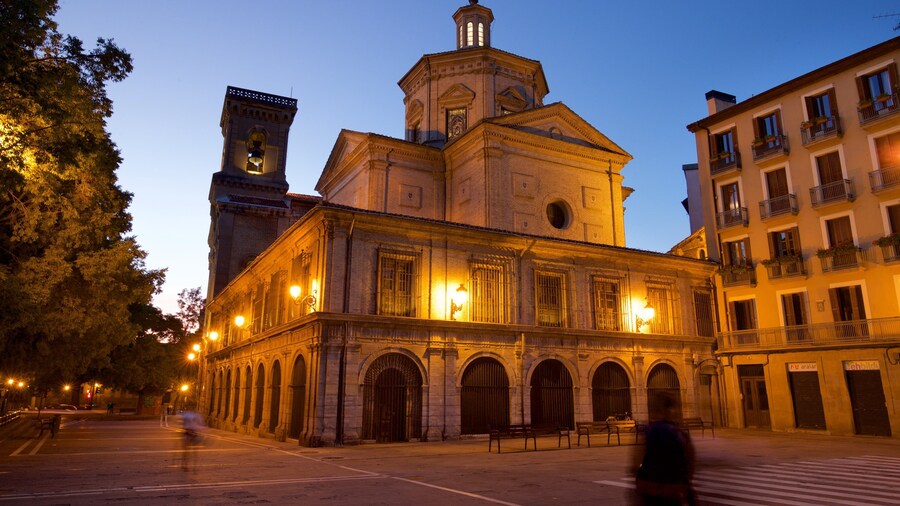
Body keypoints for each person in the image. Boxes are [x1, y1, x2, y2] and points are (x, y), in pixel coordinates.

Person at [633, 392, 696, 506]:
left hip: (649, 486)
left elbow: (636, 460)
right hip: (672, 488)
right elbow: (690, 462)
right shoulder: (680, 433)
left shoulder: (649, 431)